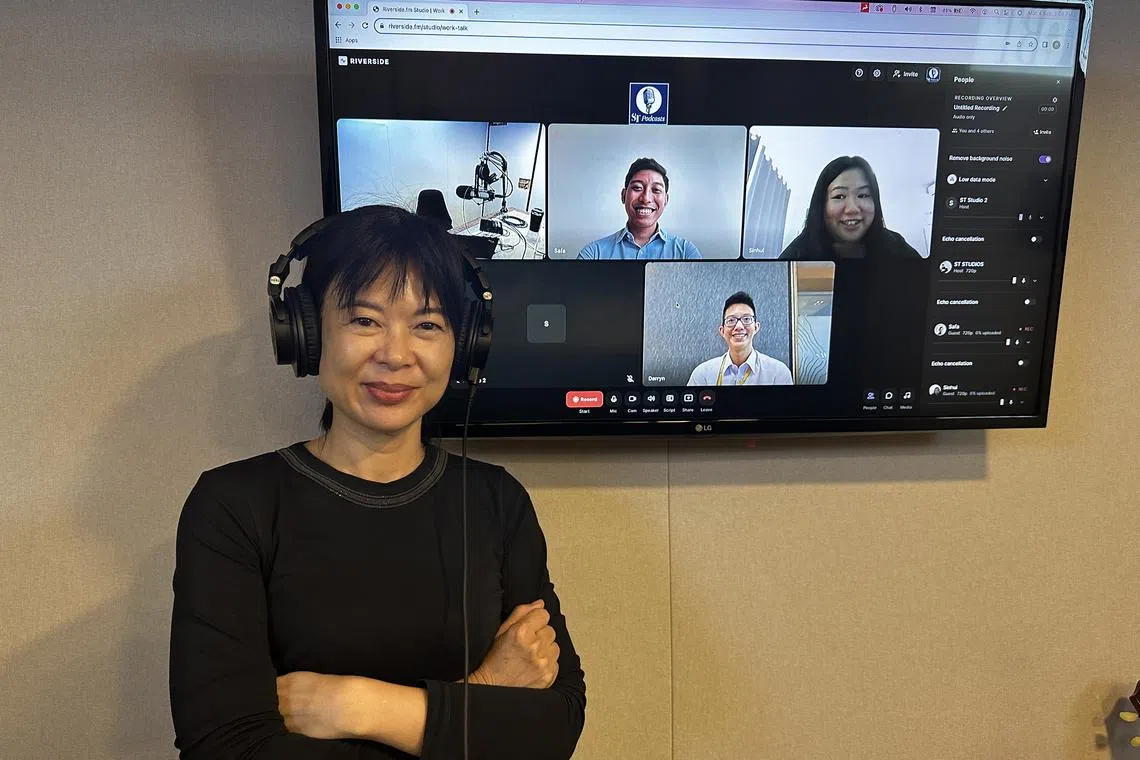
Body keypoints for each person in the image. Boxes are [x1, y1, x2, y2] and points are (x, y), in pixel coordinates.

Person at [169, 204, 585, 759]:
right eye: (364, 320)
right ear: (308, 332)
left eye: (427, 325)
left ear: (462, 345)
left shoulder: (496, 501)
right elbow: (226, 748)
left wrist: (356, 705)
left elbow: (556, 725)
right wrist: (485, 695)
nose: (395, 354)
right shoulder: (233, 507)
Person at [779, 155, 922, 261]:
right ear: (821, 205)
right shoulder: (797, 255)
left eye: (863, 195)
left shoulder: (896, 248)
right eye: (839, 196)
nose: (852, 208)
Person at [577, 157, 702, 260]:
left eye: (656, 190)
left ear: (666, 200)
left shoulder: (686, 252)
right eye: (637, 188)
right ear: (623, 195)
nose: (646, 198)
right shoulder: (593, 254)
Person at [686, 291, 792, 386]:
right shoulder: (702, 375)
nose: (739, 326)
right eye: (731, 320)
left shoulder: (778, 373)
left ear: (756, 327)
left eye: (746, 319)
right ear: (722, 330)